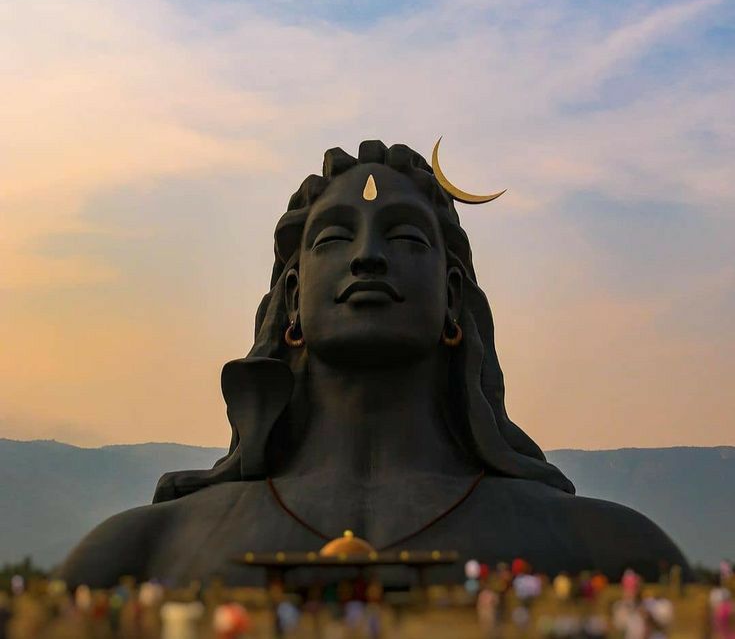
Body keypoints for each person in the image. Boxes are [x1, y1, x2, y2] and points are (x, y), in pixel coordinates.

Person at [58, 141, 688, 587]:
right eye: (334, 238)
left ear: (452, 295)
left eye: (405, 237)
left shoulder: (610, 551)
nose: (367, 257)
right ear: (291, 301)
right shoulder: (139, 550)